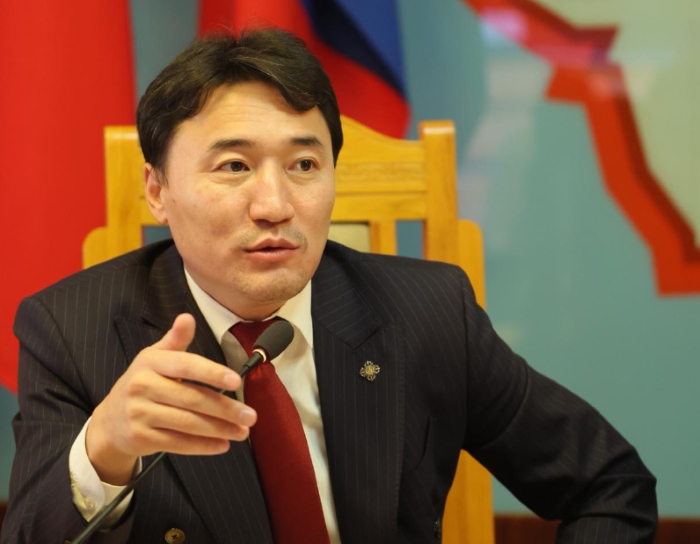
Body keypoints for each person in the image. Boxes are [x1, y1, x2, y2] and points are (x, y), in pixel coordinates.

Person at [1, 28, 656, 544]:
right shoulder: (73, 330)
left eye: (305, 164)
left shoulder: (428, 311)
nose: (275, 204)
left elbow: (610, 484)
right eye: (234, 166)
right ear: (157, 190)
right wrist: (104, 450)